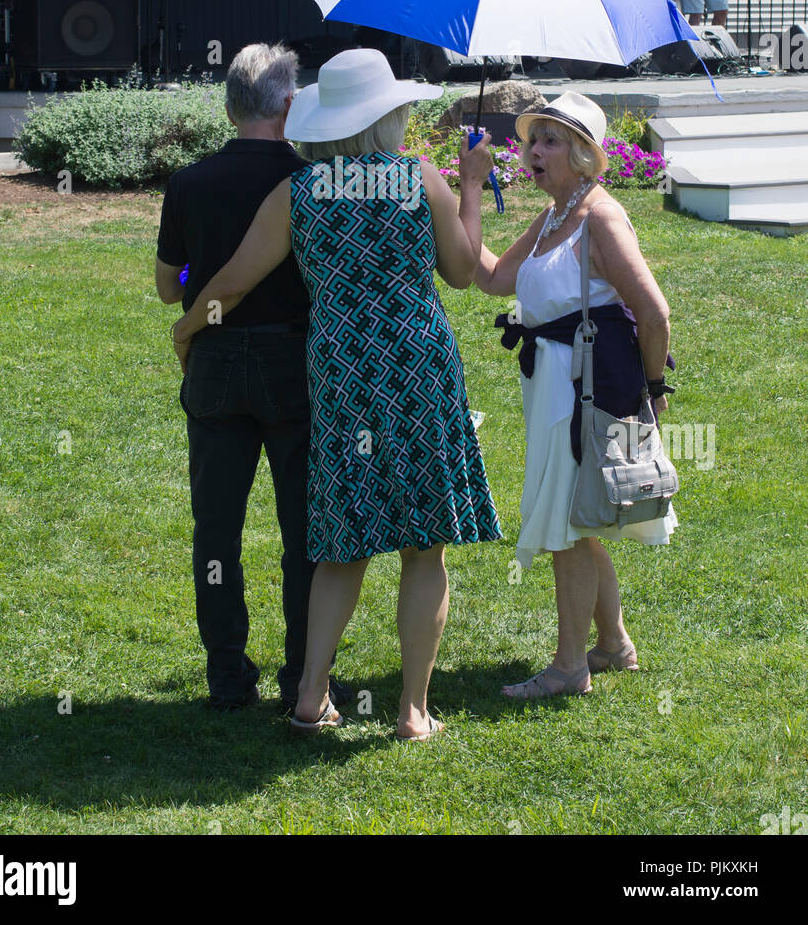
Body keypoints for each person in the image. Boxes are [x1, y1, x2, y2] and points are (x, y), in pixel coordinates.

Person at [171, 48, 502, 740]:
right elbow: (465, 271)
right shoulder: (418, 179)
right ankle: (412, 711)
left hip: (342, 369)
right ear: (388, 116)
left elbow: (230, 283)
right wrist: (470, 184)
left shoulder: (298, 192)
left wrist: (187, 327)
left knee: (342, 540)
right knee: (425, 545)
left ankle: (309, 697)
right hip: (417, 364)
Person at [155, 43, 350, 714]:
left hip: (212, 358)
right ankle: (304, 673)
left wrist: (195, 284)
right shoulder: (312, 181)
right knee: (305, 530)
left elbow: (165, 285)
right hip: (295, 363)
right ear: (289, 105)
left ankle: (227, 676)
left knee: (216, 529)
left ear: (229, 105)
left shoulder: (188, 182)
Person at [472, 92, 677, 699]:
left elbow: (653, 311)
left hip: (587, 388)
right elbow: (488, 279)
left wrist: (654, 389)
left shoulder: (599, 216)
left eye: (551, 141)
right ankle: (612, 644)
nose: (535, 151)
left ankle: (568, 668)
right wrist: (469, 193)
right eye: (533, 140)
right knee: (576, 515)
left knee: (566, 521)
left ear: (585, 155)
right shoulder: (558, 213)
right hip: (554, 384)